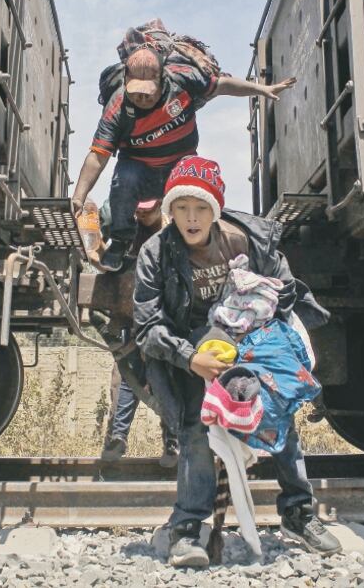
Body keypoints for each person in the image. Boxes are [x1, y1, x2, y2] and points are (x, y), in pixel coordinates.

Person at [132, 156, 341, 568]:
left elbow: (285, 290)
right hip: (189, 349)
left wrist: (275, 305)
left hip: (252, 339)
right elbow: (147, 326)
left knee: (277, 414)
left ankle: (298, 513)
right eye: (182, 208)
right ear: (170, 211)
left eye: (201, 208)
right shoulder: (155, 253)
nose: (191, 218)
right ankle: (188, 528)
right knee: (196, 427)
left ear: (216, 209)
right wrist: (191, 359)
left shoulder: (249, 240)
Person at [71, 46, 295, 272]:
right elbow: (97, 157)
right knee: (123, 180)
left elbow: (222, 85)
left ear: (162, 79)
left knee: (197, 188)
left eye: (148, 92)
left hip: (179, 168)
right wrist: (79, 197)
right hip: (140, 170)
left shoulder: (183, 81)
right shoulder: (117, 109)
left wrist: (260, 89)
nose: (142, 98)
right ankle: (120, 243)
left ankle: (199, 244)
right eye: (135, 92)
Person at [97, 198, 179, 467]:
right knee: (126, 374)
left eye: (148, 212)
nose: (143, 217)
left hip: (162, 314)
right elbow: (98, 248)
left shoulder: (174, 222)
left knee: (168, 373)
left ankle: (173, 440)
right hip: (128, 311)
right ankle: (118, 437)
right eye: (139, 212)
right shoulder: (117, 215)